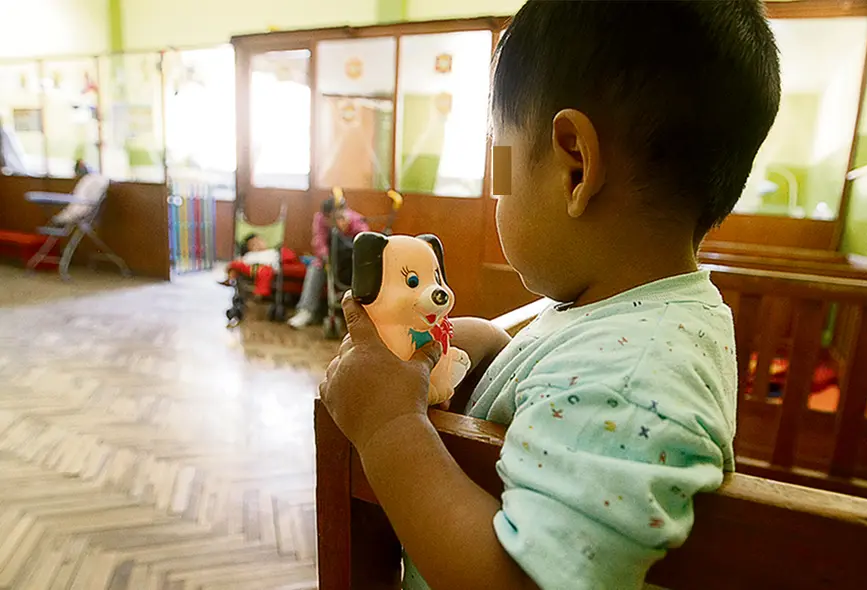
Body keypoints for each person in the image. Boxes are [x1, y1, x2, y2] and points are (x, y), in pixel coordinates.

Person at [320, 1, 780, 589]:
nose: (498, 196)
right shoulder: (626, 308)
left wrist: (387, 425)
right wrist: (489, 348)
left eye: (502, 166)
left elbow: (522, 582)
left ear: (575, 168)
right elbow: (558, 375)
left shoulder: (634, 382)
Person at [287, 198, 370, 328]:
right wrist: (325, 257)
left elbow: (364, 240)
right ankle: (306, 311)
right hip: (330, 261)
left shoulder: (356, 219)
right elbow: (318, 240)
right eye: (329, 218)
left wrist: (347, 228)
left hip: (352, 263)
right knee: (315, 268)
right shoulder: (320, 218)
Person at [220, 233, 297, 299]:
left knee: (266, 272)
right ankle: (230, 279)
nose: (258, 244)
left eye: (259, 241)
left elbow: (282, 258)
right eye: (253, 244)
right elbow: (241, 261)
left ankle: (260, 292)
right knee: (235, 264)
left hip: (263, 268)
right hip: (249, 267)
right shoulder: (250, 254)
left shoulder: (272, 252)